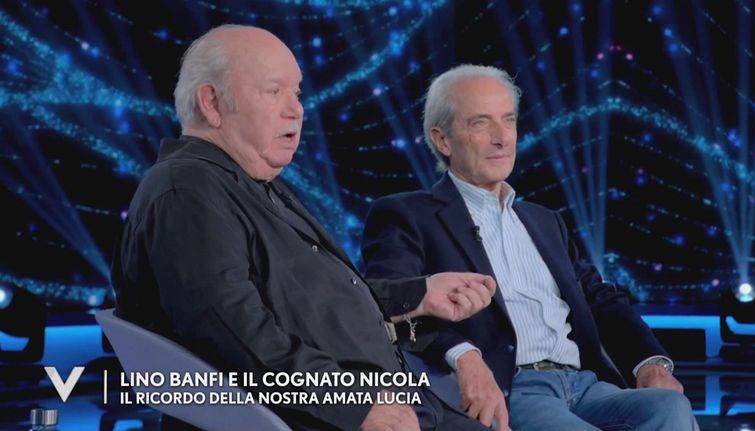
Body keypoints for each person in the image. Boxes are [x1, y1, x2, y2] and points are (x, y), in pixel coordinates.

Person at [111, 26, 499, 431]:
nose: (296, 109)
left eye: (296, 93)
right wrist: (352, 404)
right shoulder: (187, 190)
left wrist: (419, 294)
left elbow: (318, 306)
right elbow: (230, 333)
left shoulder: (254, 185)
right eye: (273, 91)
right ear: (212, 103)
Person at [362, 64, 699, 430]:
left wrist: (650, 361)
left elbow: (599, 298)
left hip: (585, 384)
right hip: (512, 388)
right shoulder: (407, 215)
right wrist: (463, 355)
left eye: (508, 121)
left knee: (669, 407)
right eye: (480, 123)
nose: (501, 138)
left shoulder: (544, 221)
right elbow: (386, 301)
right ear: (443, 140)